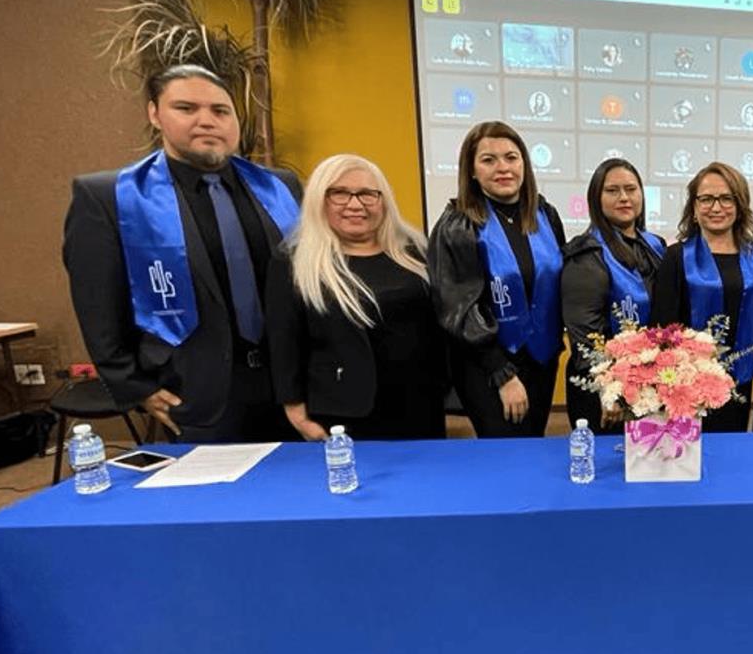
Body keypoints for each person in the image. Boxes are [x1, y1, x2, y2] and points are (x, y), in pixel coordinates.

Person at [62, 63, 301, 443]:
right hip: (194, 392)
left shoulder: (280, 187)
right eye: (186, 108)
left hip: (291, 388)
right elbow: (97, 303)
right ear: (155, 114)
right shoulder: (111, 197)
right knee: (218, 500)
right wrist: (134, 386)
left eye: (220, 111)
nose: (207, 121)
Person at [265, 154, 447, 441]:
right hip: (341, 416)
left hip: (419, 406)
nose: (355, 204)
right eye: (339, 193)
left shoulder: (415, 252)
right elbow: (283, 340)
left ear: (383, 200)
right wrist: (296, 412)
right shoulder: (293, 261)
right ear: (318, 199)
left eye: (367, 194)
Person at [427, 121, 566, 438]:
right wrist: (501, 373)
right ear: (472, 170)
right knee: (505, 452)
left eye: (511, 157)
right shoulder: (457, 225)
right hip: (487, 366)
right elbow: (456, 307)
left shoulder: (545, 215)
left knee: (534, 446)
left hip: (541, 359)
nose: (502, 167)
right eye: (489, 160)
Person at [651, 162, 753, 432]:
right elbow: (663, 326)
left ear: (740, 205)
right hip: (687, 384)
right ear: (694, 207)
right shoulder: (676, 256)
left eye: (726, 198)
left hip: (740, 379)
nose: (716, 208)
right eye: (706, 199)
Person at [561, 158, 666, 434]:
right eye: (612, 190)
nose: (624, 198)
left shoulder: (656, 246)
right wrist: (611, 390)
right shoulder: (585, 254)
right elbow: (585, 335)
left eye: (631, 189)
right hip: (602, 388)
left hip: (650, 382)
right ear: (596, 198)